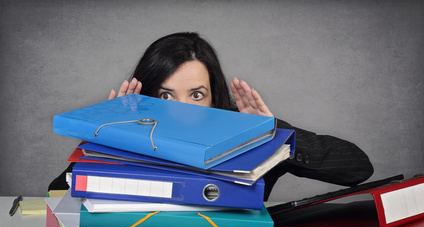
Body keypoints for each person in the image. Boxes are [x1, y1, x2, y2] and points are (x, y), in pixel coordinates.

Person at [49, 32, 374, 200]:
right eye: (165, 95)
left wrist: (272, 132)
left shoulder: (247, 133)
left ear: (214, 96)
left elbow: (358, 167)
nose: (181, 110)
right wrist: (106, 139)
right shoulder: (132, 133)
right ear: (145, 98)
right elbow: (57, 195)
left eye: (196, 94)